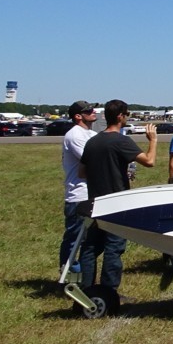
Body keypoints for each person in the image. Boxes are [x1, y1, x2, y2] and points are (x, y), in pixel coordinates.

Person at [78, 100, 157, 295]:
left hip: (94, 203)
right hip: (116, 204)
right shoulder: (121, 141)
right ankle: (109, 293)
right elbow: (149, 161)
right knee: (113, 248)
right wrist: (153, 140)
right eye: (127, 114)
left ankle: (86, 290)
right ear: (120, 116)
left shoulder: (93, 141)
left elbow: (81, 172)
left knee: (90, 248)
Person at [58, 100, 99, 274]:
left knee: (91, 240)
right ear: (78, 116)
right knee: (75, 238)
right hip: (78, 195)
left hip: (92, 192)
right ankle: (68, 273)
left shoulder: (91, 134)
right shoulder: (75, 135)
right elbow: (92, 161)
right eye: (88, 110)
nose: (93, 112)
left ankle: (84, 275)